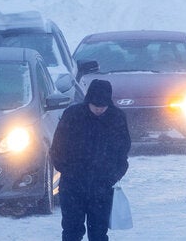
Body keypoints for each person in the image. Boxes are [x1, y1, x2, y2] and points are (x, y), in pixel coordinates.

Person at [50, 79, 131, 241]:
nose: (99, 109)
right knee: (72, 230)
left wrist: (112, 175)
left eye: (103, 106)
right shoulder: (72, 115)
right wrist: (69, 171)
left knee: (99, 232)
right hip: (73, 185)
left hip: (102, 186)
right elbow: (58, 147)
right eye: (95, 105)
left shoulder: (116, 118)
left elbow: (122, 151)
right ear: (88, 101)